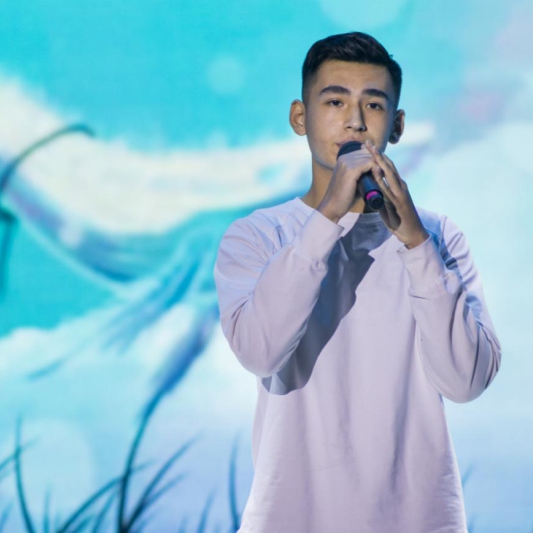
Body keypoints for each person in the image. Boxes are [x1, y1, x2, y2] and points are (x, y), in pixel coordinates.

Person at [213, 32, 502, 533]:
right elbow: (260, 352)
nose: (354, 121)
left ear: (397, 125)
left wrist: (416, 244)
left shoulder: (438, 237)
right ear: (300, 117)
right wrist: (326, 218)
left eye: (373, 104)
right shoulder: (257, 235)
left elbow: (466, 381)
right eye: (334, 101)